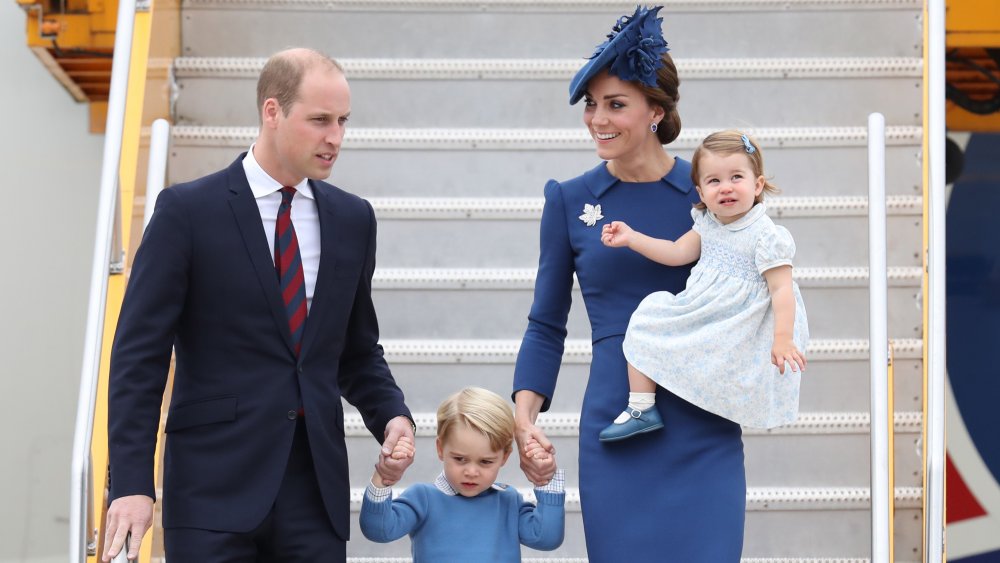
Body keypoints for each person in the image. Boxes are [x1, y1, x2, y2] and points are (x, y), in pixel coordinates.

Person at [102, 48, 416, 563]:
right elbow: (139, 357)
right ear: (272, 112)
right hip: (211, 495)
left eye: (342, 121)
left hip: (315, 497)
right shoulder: (187, 212)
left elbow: (355, 351)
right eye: (319, 120)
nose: (335, 137)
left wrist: (391, 415)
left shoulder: (353, 219)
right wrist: (131, 483)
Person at [512, 6, 747, 561]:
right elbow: (546, 323)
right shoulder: (569, 201)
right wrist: (523, 417)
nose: (598, 119)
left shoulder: (708, 194)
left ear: (655, 112)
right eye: (591, 105)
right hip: (617, 425)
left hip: (703, 423)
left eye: (616, 104)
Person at [598, 130, 809, 442]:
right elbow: (676, 252)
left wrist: (782, 339)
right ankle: (642, 407)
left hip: (743, 323)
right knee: (648, 317)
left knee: (726, 363)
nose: (726, 188)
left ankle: (710, 404)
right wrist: (632, 238)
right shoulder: (707, 223)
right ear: (700, 190)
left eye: (736, 177)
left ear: (758, 184)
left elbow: (782, 289)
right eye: (714, 181)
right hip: (705, 311)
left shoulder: (766, 236)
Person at [360, 387, 565, 562]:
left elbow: (547, 538)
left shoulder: (508, 502)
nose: (471, 472)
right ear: (440, 449)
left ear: (504, 457)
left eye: (485, 461)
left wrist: (544, 479)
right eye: (460, 459)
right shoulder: (422, 499)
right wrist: (383, 479)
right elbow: (379, 531)